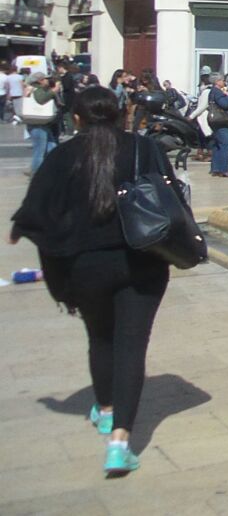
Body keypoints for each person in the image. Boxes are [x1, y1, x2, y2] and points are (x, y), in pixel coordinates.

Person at [10, 86, 176, 476]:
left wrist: (20, 230)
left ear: (78, 119)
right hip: (143, 262)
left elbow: (36, 212)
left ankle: (104, 410)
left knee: (101, 338)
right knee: (132, 347)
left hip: (87, 268)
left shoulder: (63, 155)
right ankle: (120, 442)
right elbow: (171, 197)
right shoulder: (143, 148)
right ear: (121, 114)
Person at [205, 73, 228, 178]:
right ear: (217, 81)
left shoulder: (212, 91)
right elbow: (225, 104)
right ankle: (224, 169)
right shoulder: (217, 92)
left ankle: (216, 168)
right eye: (222, 80)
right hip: (220, 121)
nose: (224, 82)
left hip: (215, 120)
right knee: (227, 143)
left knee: (218, 144)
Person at [23, 73, 60, 173]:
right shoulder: (36, 89)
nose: (48, 81)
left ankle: (54, 169)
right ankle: (36, 174)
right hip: (38, 124)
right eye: (46, 79)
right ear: (40, 80)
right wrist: (53, 91)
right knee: (39, 151)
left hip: (42, 123)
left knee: (52, 147)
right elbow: (41, 99)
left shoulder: (33, 89)